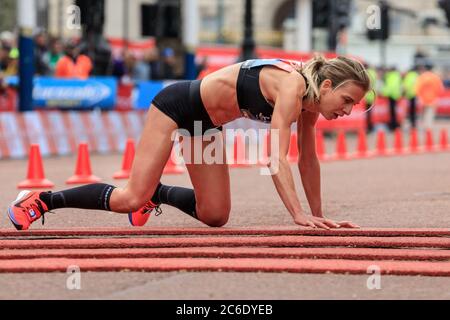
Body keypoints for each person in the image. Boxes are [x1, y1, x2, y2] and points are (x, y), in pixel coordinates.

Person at [7, 55, 371, 231]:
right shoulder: (292, 86)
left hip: (205, 124)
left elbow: (308, 160)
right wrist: (298, 215)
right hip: (178, 105)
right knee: (128, 198)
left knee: (214, 215)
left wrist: (319, 216)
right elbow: (275, 157)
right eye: (347, 101)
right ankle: (43, 200)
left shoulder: (309, 102)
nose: (349, 111)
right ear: (327, 86)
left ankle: (157, 193)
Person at [415, 65, 445, 129]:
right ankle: (428, 126)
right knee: (430, 113)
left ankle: (422, 126)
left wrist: (419, 96)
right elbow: (440, 89)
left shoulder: (422, 77)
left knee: (423, 113)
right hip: (433, 98)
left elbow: (417, 88)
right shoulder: (435, 77)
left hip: (423, 98)